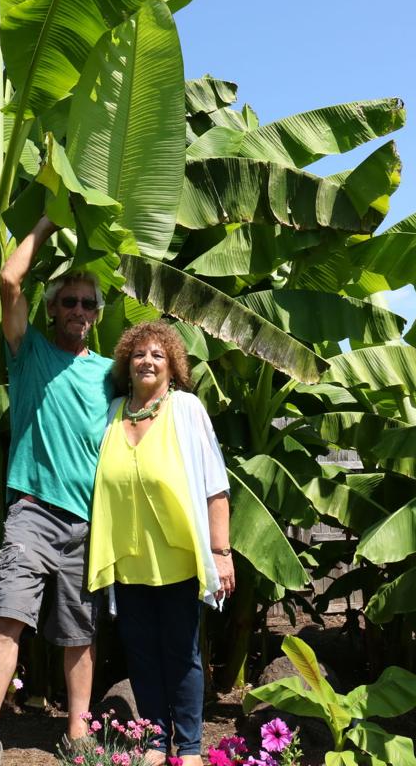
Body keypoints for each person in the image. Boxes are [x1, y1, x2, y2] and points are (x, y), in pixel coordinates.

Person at [0, 217, 113, 766]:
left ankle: (77, 731)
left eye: (86, 304)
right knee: (7, 614)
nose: (77, 310)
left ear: (97, 315)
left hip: (89, 519)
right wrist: (48, 224)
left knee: (80, 630)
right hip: (32, 511)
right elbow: (8, 282)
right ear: (53, 309)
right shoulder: (30, 354)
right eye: (68, 301)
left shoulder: (109, 375)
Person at [87, 321, 235, 766]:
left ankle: (189, 747)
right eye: (138, 354)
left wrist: (221, 551)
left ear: (172, 366)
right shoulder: (112, 413)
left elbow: (215, 485)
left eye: (157, 355)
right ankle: (154, 739)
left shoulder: (186, 409)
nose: (147, 361)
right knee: (142, 655)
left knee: (182, 653)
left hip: (177, 558)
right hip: (127, 560)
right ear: (126, 365)